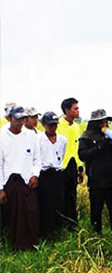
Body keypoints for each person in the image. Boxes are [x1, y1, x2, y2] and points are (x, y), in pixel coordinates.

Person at [78, 109, 112, 233]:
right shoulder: (86, 137)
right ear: (94, 123)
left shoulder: (111, 136)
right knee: (96, 212)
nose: (104, 124)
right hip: (96, 182)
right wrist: (99, 147)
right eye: (102, 121)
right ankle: (96, 236)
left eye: (106, 121)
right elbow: (83, 155)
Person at [0, 106, 41, 250]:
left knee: (30, 213)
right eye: (17, 119)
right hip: (10, 181)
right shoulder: (2, 136)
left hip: (27, 181)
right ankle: (16, 245)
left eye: (23, 119)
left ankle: (31, 244)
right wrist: (1, 189)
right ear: (9, 119)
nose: (20, 123)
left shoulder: (31, 136)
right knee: (14, 215)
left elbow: (37, 159)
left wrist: (35, 174)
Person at [38, 112, 67, 237]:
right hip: (44, 174)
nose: (53, 127)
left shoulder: (62, 140)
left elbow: (61, 155)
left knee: (58, 202)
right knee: (45, 204)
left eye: (55, 125)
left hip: (57, 173)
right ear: (44, 125)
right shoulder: (38, 139)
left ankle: (56, 230)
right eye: (50, 125)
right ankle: (45, 231)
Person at [58, 97, 84, 229]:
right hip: (61, 166)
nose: (78, 111)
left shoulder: (76, 127)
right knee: (60, 196)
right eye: (75, 109)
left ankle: (72, 224)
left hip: (73, 165)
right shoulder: (57, 125)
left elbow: (76, 147)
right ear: (67, 110)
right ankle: (61, 224)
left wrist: (80, 167)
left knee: (72, 195)